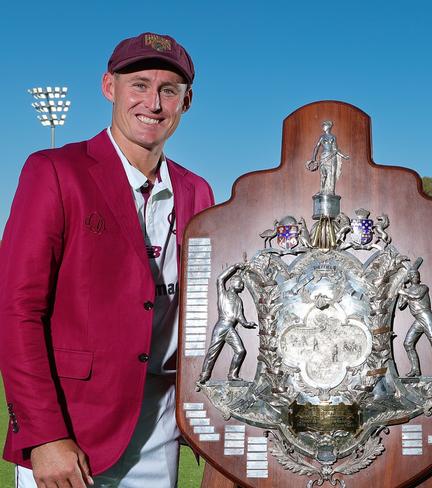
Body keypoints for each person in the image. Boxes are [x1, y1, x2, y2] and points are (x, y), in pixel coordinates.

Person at [0, 32, 214, 487]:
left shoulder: (199, 191)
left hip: (162, 428)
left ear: (186, 102)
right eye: (139, 84)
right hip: (74, 434)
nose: (153, 103)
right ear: (108, 87)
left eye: (168, 91)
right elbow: (17, 310)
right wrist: (44, 436)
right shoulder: (55, 171)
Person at [198, 263, 257, 384]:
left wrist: (246, 324)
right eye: (240, 283)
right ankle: (204, 376)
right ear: (232, 282)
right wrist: (234, 267)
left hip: (230, 328)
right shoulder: (223, 294)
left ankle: (232, 375)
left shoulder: (238, 300)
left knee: (240, 351)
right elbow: (220, 279)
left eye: (242, 285)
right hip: (221, 326)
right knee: (212, 352)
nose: (241, 286)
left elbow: (239, 316)